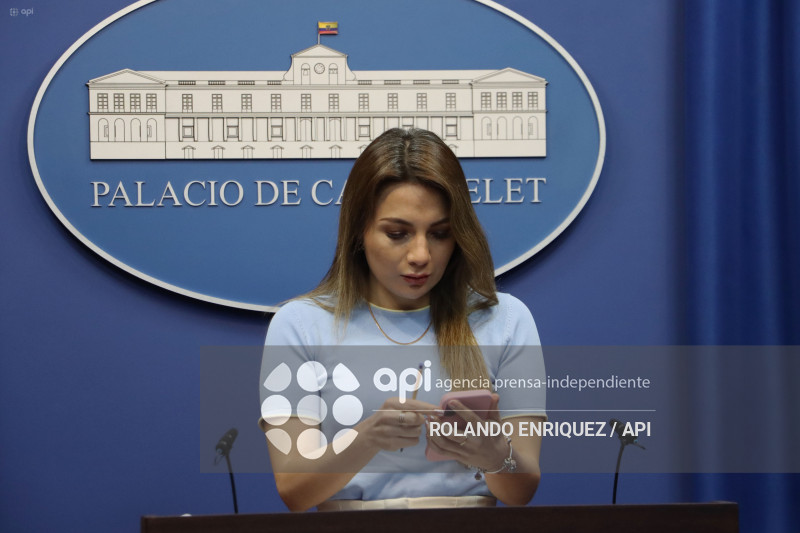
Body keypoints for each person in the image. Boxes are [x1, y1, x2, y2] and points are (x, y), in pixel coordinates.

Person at [259, 128, 546, 512]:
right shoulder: (298, 325)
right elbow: (294, 489)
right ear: (359, 232)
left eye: (440, 234)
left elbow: (521, 491)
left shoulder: (507, 320)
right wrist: (366, 439)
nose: (421, 255)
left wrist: (495, 455)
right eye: (398, 233)